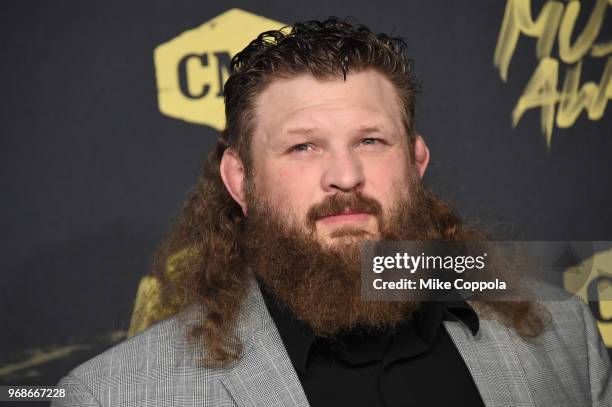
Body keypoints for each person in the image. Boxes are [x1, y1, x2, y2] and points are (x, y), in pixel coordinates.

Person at [53, 18, 611, 406]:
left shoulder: (566, 340)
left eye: (371, 140)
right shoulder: (112, 396)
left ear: (416, 162)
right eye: (303, 146)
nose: (345, 175)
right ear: (239, 180)